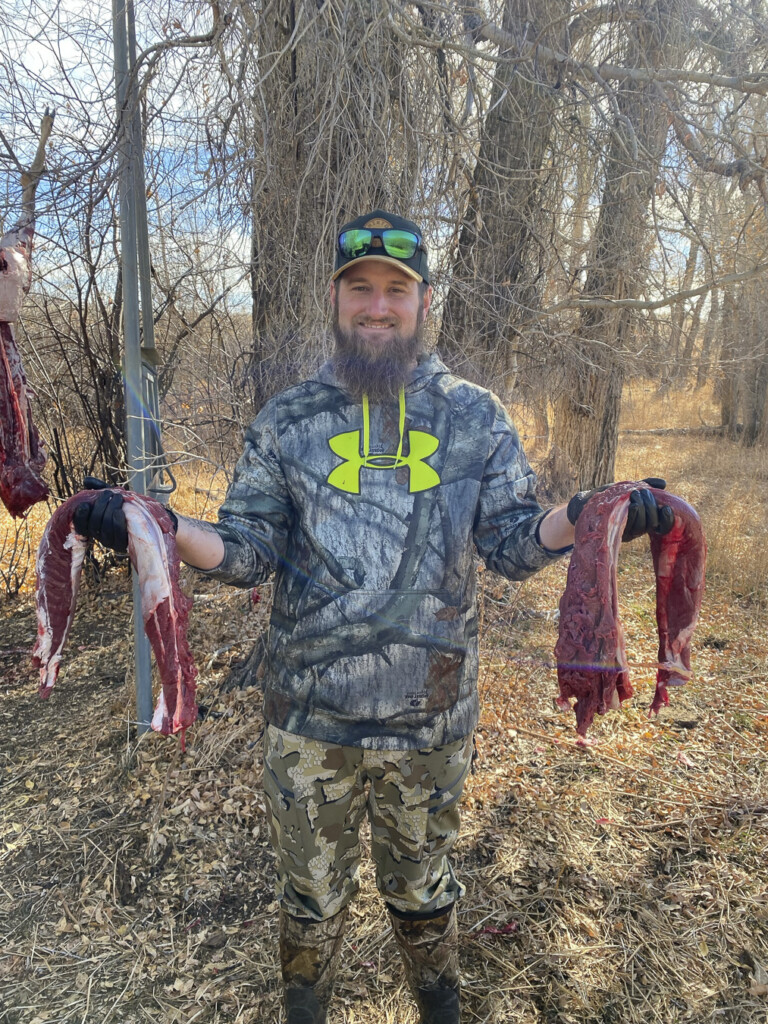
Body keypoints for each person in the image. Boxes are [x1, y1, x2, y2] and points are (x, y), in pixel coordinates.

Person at [74, 210, 674, 1024]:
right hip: (308, 723)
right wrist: (159, 526)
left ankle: (439, 1010)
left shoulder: (474, 416)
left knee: (423, 893)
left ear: (424, 301)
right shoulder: (288, 420)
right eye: (361, 287)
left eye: (398, 289)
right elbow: (246, 551)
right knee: (309, 900)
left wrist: (591, 515)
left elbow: (511, 543)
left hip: (430, 720)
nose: (379, 306)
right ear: (335, 296)